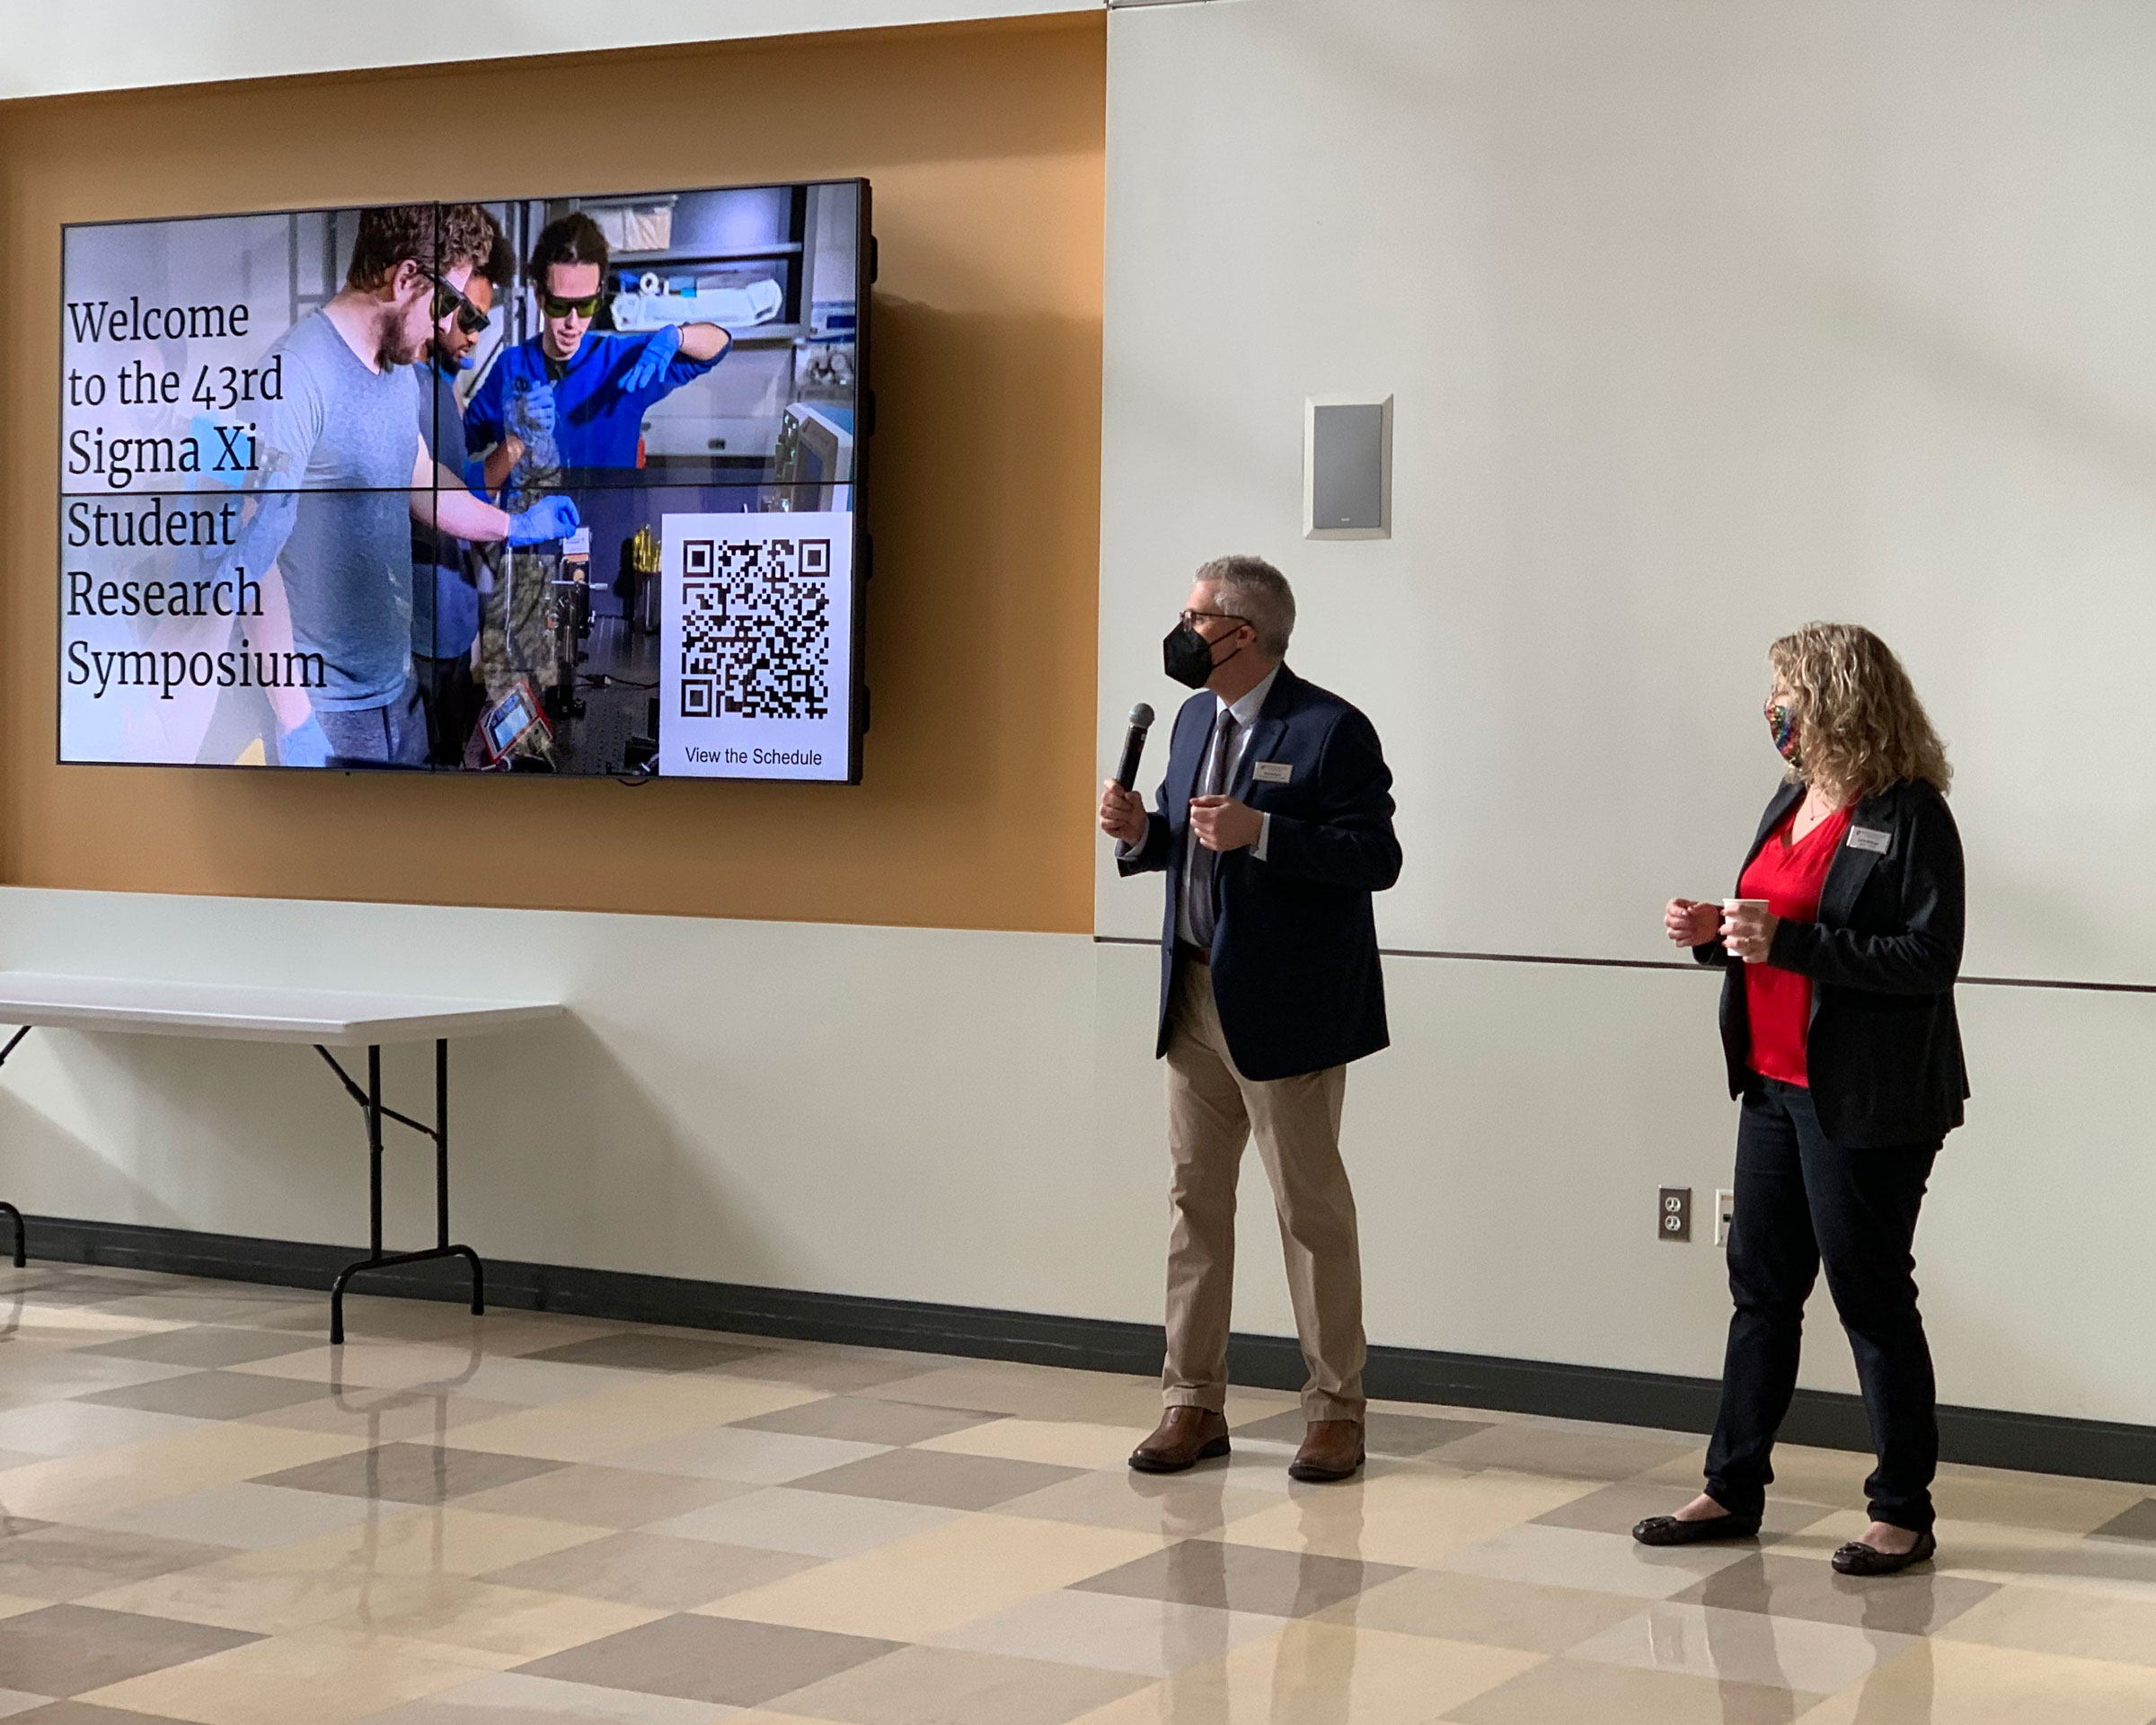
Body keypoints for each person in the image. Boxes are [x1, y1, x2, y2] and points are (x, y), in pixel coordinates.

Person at [1636, 622, 1966, 1577]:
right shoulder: (1792, 796)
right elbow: (1774, 920)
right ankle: (1730, 1488)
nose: (1772, 709)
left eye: (1783, 691)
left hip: (1864, 1098)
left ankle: (1902, 1510)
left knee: (1871, 1296)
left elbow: (1928, 958)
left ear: (1833, 697)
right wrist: (1716, 932)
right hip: (1772, 1086)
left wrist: (1788, 943)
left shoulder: (1911, 813)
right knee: (1761, 1291)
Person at [1099, 555, 1401, 1483]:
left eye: (1196, 617)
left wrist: (1263, 832)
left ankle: (1335, 1411)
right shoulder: (1195, 718)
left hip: (1286, 1010)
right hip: (1192, 995)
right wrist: (1143, 834)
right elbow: (1188, 840)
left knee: (1309, 1212)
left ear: (1242, 634)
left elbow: (1375, 858)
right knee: (1194, 1205)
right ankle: (1191, 1401)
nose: (1182, 629)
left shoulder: (1329, 728)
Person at [239, 202, 580, 767]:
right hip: (329, 709)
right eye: (445, 304)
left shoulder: (397, 374)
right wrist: (294, 718)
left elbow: (422, 482)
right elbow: (252, 559)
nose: (447, 325)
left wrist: (511, 526)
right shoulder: (294, 375)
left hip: (398, 690)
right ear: (403, 278)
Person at [410, 217, 513, 766]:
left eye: (481, 320)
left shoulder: (445, 390)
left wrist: (513, 448)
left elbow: (461, 487)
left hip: (452, 621)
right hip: (419, 631)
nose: (472, 332)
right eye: (466, 314)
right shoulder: (407, 389)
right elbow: (436, 501)